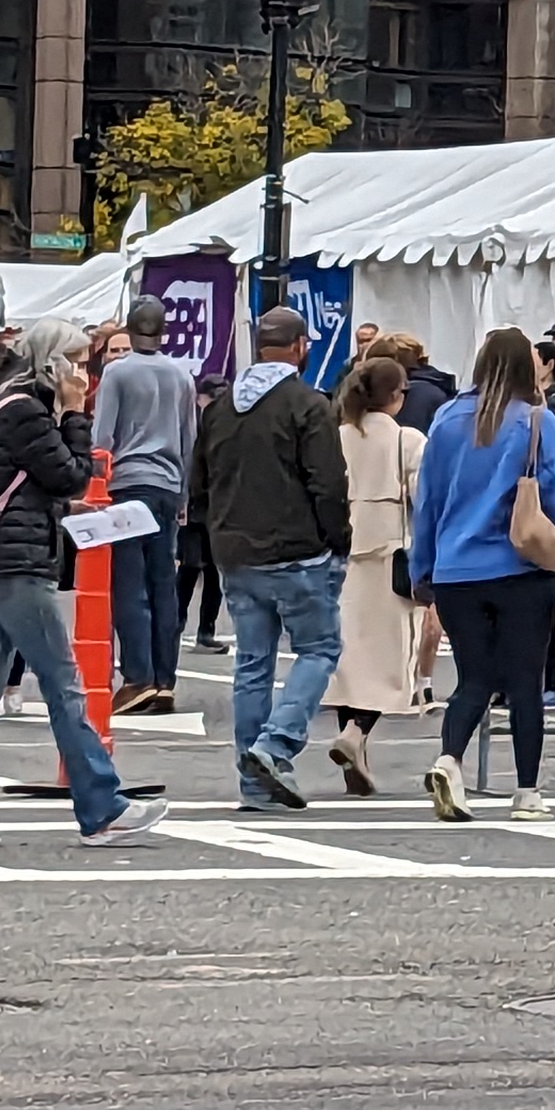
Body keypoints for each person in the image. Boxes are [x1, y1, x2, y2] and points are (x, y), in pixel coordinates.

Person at [0, 324, 160, 851]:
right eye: (75, 360)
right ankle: (102, 808)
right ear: (51, 362)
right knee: (63, 685)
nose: (84, 373)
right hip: (17, 566)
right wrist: (73, 415)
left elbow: (26, 484)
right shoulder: (28, 410)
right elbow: (71, 474)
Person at [405, 325, 555, 820]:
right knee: (523, 683)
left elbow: (427, 501)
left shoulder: (447, 419)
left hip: (455, 569)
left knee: (474, 676)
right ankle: (527, 792)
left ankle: (449, 760)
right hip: (521, 568)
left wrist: (421, 565)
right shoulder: (535, 420)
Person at [196, 302, 354, 811]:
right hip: (295, 550)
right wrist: (338, 539)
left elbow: (199, 483)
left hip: (235, 552)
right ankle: (275, 745)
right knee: (318, 650)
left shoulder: (220, 407)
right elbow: (328, 482)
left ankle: (252, 784)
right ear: (300, 346)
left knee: (252, 664)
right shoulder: (308, 403)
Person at [325, 351, 430, 795]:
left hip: (339, 549)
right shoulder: (408, 440)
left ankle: (355, 747)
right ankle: (357, 736)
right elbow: (423, 499)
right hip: (391, 552)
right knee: (389, 658)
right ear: (395, 395)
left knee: (346, 656)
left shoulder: (337, 435)